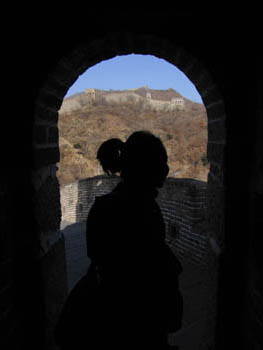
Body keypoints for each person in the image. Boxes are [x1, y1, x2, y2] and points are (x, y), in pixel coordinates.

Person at [85, 131, 183, 349]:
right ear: (146, 167)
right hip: (140, 323)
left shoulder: (102, 208)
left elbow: (97, 260)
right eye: (161, 162)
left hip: (110, 320)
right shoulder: (145, 210)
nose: (166, 170)